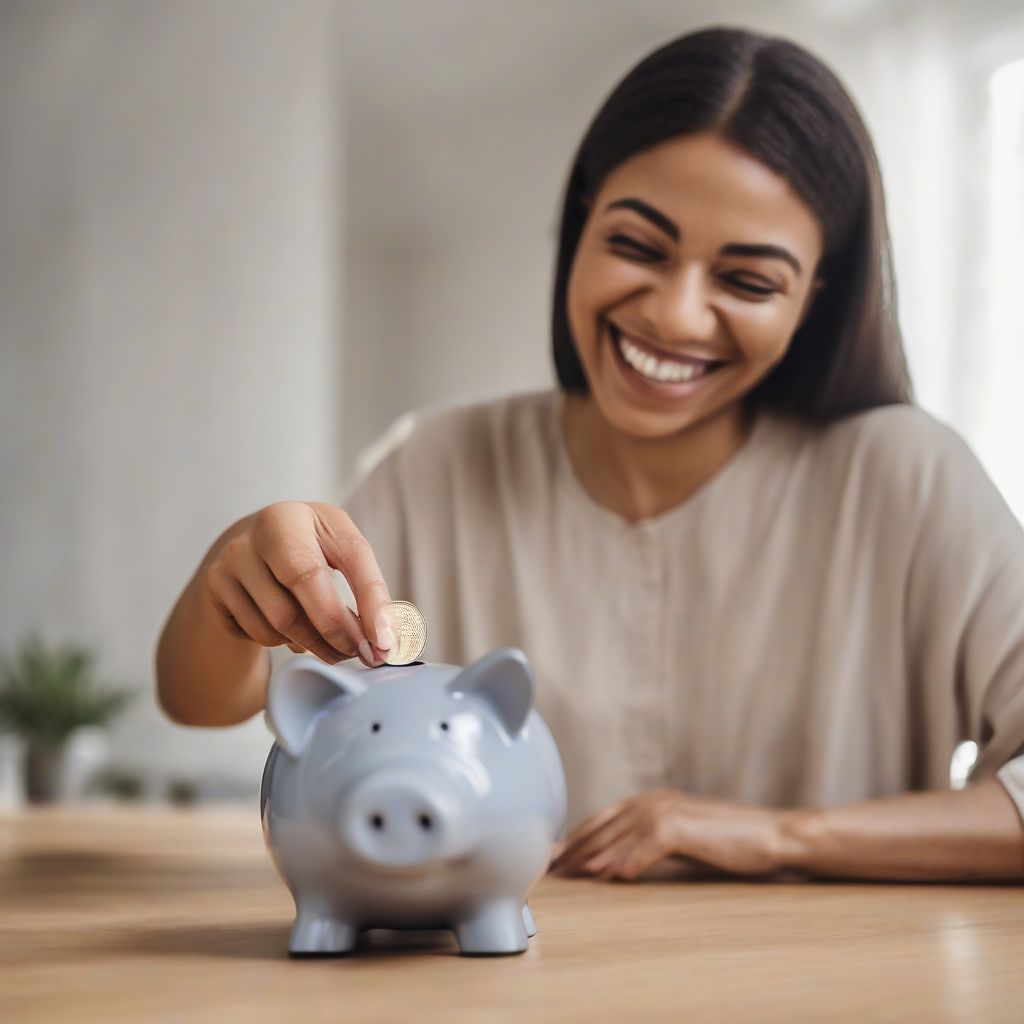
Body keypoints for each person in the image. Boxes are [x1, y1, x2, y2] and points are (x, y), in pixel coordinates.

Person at [156, 26, 1024, 883]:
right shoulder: (439, 467)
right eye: (638, 246)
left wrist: (781, 836)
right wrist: (228, 580)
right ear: (580, 223)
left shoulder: (908, 479)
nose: (677, 316)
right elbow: (206, 701)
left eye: (748, 280)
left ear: (816, 299)